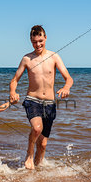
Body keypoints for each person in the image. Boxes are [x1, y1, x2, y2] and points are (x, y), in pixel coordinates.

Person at [9, 25, 73, 170]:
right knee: (37, 129)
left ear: (45, 38)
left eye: (40, 41)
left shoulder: (54, 57)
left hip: (50, 103)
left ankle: (37, 174)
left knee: (43, 144)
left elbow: (68, 78)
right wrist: (13, 92)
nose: (38, 44)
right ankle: (29, 154)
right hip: (33, 100)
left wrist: (66, 87)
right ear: (31, 41)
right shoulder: (27, 59)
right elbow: (14, 80)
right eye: (34, 42)